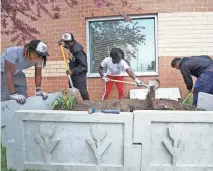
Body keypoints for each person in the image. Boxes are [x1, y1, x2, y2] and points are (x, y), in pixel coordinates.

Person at [1, 39, 49, 104]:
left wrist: (38, 90)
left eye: (42, 55)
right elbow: (8, 73)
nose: (40, 58)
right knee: (5, 97)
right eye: (38, 54)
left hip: (18, 73)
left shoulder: (38, 59)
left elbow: (38, 74)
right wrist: (13, 94)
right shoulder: (13, 52)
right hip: (3, 72)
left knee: (23, 98)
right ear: (30, 50)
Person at [58, 32, 90, 100]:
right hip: (73, 72)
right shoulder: (71, 45)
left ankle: (88, 105)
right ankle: (73, 107)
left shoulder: (79, 52)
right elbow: (66, 45)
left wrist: (72, 71)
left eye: (67, 43)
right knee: (71, 91)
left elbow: (84, 66)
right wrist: (62, 44)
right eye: (65, 42)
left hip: (79, 74)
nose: (66, 45)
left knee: (83, 91)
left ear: (71, 42)